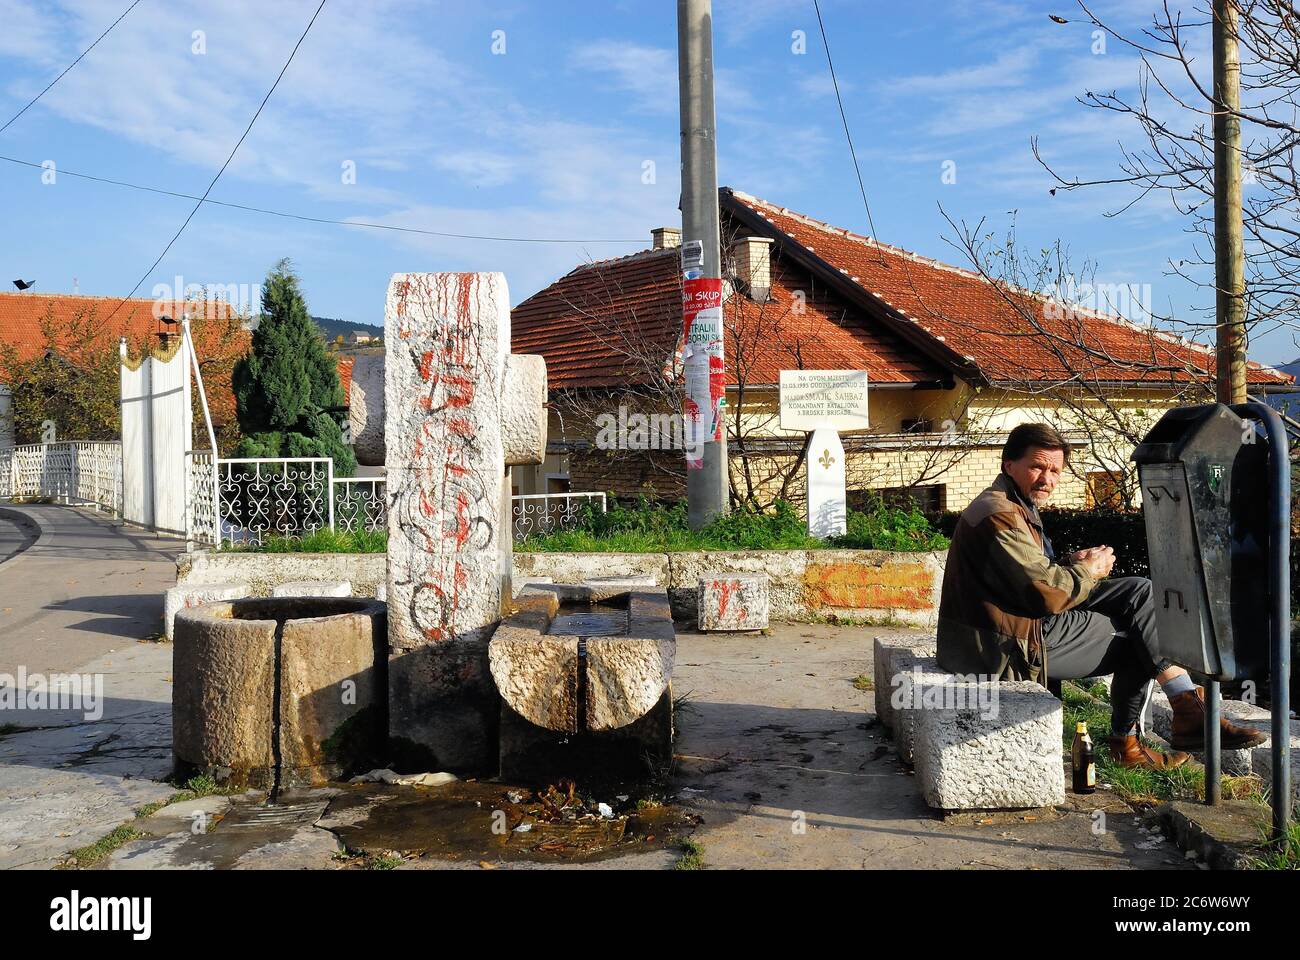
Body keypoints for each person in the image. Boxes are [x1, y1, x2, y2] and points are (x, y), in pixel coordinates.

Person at [936, 422, 1266, 770]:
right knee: (1138, 640)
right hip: (1000, 647)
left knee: (1140, 591)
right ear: (1009, 465)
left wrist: (1068, 564)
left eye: (1055, 471)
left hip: (1011, 626)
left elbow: (1023, 575)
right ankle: (1135, 741)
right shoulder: (999, 514)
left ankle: (1184, 710)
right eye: (1037, 466)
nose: (1046, 478)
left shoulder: (1013, 504)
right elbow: (1045, 595)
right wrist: (1089, 570)